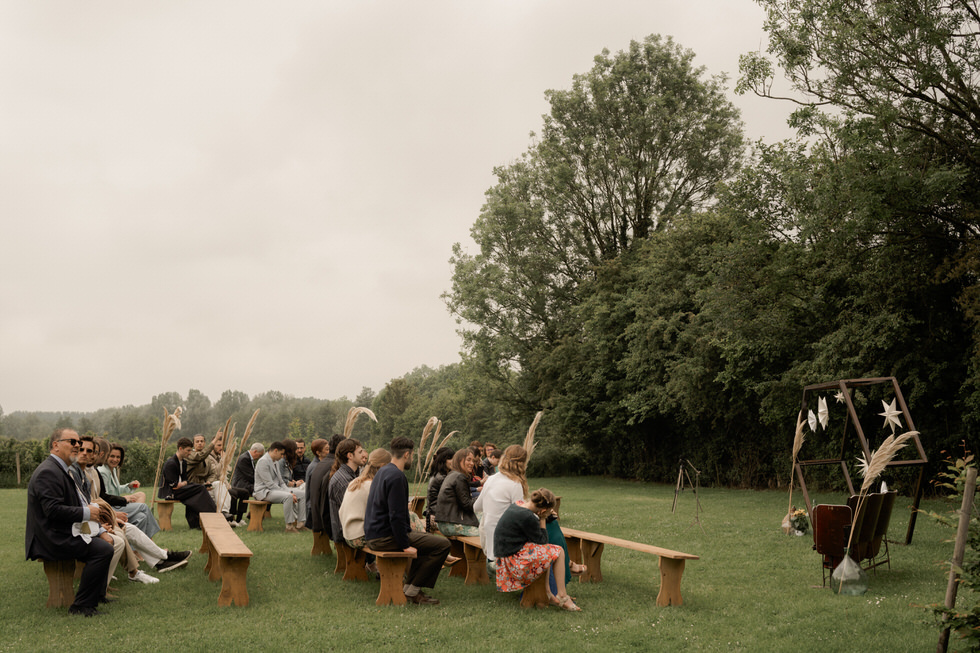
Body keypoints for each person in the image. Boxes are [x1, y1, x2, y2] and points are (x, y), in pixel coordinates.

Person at [26, 428, 115, 617]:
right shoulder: (48, 472)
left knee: (105, 542)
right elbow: (52, 510)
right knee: (102, 550)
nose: (77, 446)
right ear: (55, 445)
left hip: (62, 531)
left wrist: (96, 529)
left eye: (78, 443)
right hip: (51, 538)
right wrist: (87, 513)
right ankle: (81, 606)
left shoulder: (60, 469)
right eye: (72, 442)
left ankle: (96, 596)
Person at [364, 437, 450, 605]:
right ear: (406, 454)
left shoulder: (383, 471)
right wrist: (405, 545)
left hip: (374, 535)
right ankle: (412, 590)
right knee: (442, 545)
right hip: (384, 538)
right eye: (412, 456)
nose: (412, 459)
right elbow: (395, 515)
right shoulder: (397, 476)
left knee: (426, 541)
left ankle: (411, 589)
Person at [492, 488, 581, 611]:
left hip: (506, 554)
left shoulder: (518, 505)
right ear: (543, 510)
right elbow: (543, 541)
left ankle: (548, 593)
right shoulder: (528, 517)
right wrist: (543, 519)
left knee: (549, 552)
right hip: (512, 562)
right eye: (548, 511)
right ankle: (562, 595)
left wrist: (544, 516)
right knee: (558, 551)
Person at [91, 438, 160, 538]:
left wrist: (129, 486)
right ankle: (151, 543)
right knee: (143, 507)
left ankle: (135, 550)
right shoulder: (103, 471)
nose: (115, 459)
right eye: (112, 456)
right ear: (105, 455)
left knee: (142, 517)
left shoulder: (113, 470)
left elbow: (116, 489)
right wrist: (124, 499)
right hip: (111, 507)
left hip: (115, 503)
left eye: (118, 457)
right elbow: (104, 496)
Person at [158, 437, 217, 529]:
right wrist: (183, 484)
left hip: (179, 490)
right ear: (180, 449)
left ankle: (195, 523)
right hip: (170, 493)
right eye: (188, 450)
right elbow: (174, 485)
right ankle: (214, 515)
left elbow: (186, 480)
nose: (190, 453)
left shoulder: (184, 462)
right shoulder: (171, 463)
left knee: (197, 491)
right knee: (200, 488)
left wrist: (183, 484)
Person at [339, 448, 391, 549]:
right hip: (359, 536)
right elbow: (385, 512)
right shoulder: (372, 485)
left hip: (348, 534)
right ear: (382, 466)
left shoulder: (356, 481)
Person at [254, 441, 307, 533]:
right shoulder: (263, 462)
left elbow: (281, 482)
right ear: (275, 451)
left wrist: (290, 492)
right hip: (264, 492)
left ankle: (301, 524)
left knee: (303, 494)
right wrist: (289, 494)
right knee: (288, 497)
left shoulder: (275, 462)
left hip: (275, 490)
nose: (282, 456)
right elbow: (269, 484)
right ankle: (289, 527)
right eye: (281, 454)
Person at [327, 439, 366, 544]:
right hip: (347, 534)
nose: (364, 455)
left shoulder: (349, 475)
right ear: (350, 456)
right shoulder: (344, 481)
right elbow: (355, 511)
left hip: (350, 530)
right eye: (360, 452)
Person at [435, 448, 480, 537]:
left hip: (444, 522)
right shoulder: (459, 477)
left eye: (473, 461)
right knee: (488, 532)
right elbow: (467, 504)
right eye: (468, 460)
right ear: (459, 461)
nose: (472, 463)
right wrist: (483, 498)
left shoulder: (452, 474)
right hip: (452, 524)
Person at [230, 443, 263, 526]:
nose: (259, 458)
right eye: (259, 455)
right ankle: (252, 514)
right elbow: (250, 475)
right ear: (255, 451)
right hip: (240, 484)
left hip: (245, 483)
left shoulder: (248, 458)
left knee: (263, 489)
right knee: (262, 490)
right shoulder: (244, 459)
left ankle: (245, 516)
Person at [425, 447, 453, 531]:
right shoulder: (441, 478)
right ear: (443, 460)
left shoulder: (438, 474)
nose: (453, 461)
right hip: (436, 517)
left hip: (433, 515)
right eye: (450, 458)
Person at [304, 438, 328, 528]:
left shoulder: (319, 465)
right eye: (326, 449)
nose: (329, 452)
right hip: (313, 508)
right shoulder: (315, 467)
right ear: (318, 453)